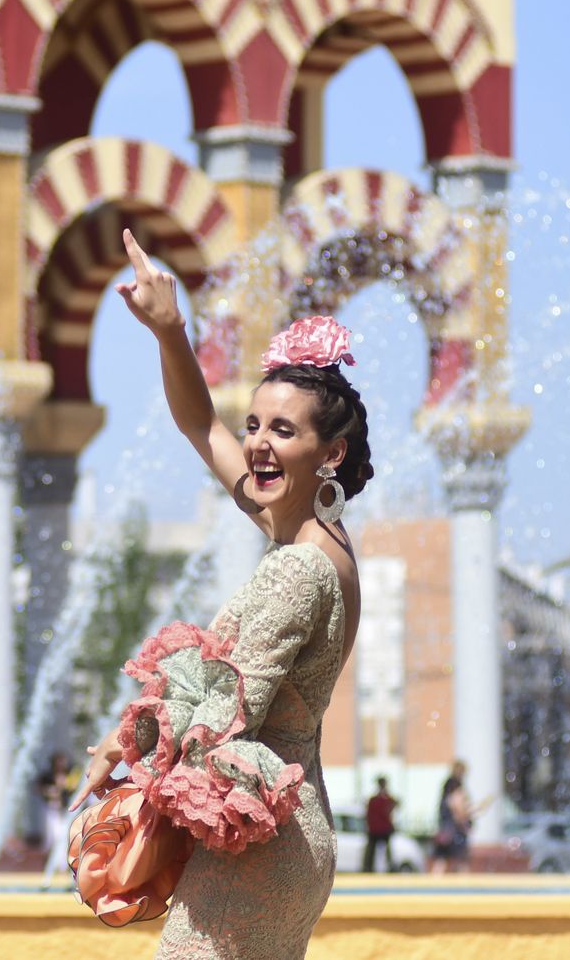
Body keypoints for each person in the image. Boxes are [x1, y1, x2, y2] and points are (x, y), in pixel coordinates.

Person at [74, 231, 369, 958]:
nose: (260, 444)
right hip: (278, 829)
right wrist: (171, 330)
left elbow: (225, 710)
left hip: (263, 840)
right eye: (257, 425)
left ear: (330, 452)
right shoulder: (312, 535)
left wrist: (124, 746)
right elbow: (200, 424)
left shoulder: (298, 568)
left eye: (284, 431)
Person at [36, 751, 76, 887]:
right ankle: (53, 866)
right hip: (51, 810)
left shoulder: (70, 775)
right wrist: (50, 791)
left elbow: (73, 790)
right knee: (52, 837)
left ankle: (63, 868)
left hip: (65, 810)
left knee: (63, 837)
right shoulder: (47, 776)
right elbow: (39, 788)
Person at [428, 761, 473, 874]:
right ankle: (464, 885)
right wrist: (464, 819)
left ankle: (434, 884)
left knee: (441, 859)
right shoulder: (455, 785)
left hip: (446, 827)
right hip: (454, 829)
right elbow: (456, 805)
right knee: (461, 860)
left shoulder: (447, 785)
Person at [363, 776, 399, 873]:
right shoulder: (375, 799)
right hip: (376, 829)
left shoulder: (385, 799)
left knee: (386, 850)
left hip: (382, 828)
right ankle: (368, 867)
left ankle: (389, 867)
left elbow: (396, 803)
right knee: (371, 850)